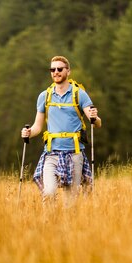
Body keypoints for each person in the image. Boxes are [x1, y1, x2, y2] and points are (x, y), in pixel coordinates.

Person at [21, 56, 101, 202]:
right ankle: (48, 224)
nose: (56, 72)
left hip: (75, 153)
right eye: (52, 69)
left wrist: (94, 117)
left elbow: (96, 122)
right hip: (51, 153)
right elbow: (37, 127)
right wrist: (28, 133)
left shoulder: (79, 94)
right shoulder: (44, 96)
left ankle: (67, 225)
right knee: (49, 193)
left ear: (68, 71)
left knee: (70, 201)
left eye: (59, 69)